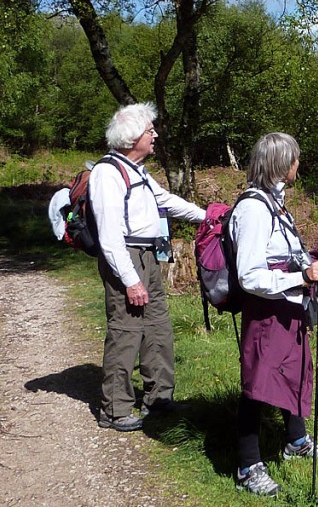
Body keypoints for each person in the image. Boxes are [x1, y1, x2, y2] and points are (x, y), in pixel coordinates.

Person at [230, 132, 318, 497]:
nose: (298, 165)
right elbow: (248, 274)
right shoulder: (254, 208)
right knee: (258, 384)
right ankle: (248, 466)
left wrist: (309, 262)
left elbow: (282, 254)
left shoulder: (275, 203)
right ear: (280, 164)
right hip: (267, 308)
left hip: (289, 304)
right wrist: (302, 276)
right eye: (294, 159)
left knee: (295, 372)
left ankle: (296, 441)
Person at [90, 102, 206, 432]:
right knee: (126, 331)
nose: (155, 134)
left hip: (148, 257)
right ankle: (115, 408)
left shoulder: (136, 170)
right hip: (125, 258)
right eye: (149, 130)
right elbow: (110, 237)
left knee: (157, 327)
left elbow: (165, 201)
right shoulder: (107, 173)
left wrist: (209, 216)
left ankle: (159, 398)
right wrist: (130, 280)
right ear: (131, 138)